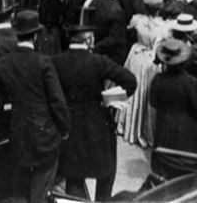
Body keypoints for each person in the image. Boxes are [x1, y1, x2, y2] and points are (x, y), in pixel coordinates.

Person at [0, 10, 71, 203]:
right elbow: (57, 101)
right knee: (41, 189)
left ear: (17, 34)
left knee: (20, 188)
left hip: (19, 134)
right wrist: (64, 129)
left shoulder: (3, 64)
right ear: (35, 35)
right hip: (45, 135)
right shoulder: (43, 62)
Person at [52, 18, 137, 201]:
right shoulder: (100, 61)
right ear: (89, 40)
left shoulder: (56, 62)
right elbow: (130, 81)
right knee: (106, 173)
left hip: (69, 124)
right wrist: (110, 98)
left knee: (74, 174)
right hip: (98, 124)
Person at [149, 38, 197, 180]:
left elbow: (153, 102)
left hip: (165, 127)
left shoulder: (158, 79)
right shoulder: (191, 82)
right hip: (188, 130)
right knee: (186, 169)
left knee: (165, 164)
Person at [120, 0, 165, 147]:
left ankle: (130, 125)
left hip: (137, 56)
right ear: (160, 8)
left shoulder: (136, 20)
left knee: (135, 91)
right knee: (147, 93)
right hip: (153, 59)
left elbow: (129, 31)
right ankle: (146, 130)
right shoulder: (164, 26)